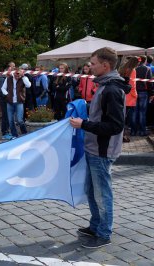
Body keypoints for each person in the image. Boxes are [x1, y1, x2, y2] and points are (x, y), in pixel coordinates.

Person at [70, 47, 129, 249]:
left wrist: (84, 124)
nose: (89, 66)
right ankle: (95, 226)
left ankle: (104, 234)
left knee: (102, 194)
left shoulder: (112, 89)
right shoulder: (105, 85)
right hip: (94, 148)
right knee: (91, 191)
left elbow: (115, 126)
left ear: (106, 65)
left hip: (102, 152)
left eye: (93, 63)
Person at [1, 67, 31, 139]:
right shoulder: (8, 79)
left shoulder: (24, 78)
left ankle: (24, 133)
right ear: (13, 73)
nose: (18, 76)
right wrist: (7, 94)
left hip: (19, 102)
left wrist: (23, 76)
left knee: (20, 120)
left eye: (19, 74)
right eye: (16, 74)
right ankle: (15, 135)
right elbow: (3, 88)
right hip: (10, 102)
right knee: (10, 120)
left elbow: (29, 85)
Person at [118, 56, 139, 142]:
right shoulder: (132, 70)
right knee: (126, 118)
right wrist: (135, 95)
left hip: (121, 95)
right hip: (129, 97)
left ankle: (120, 135)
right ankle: (123, 136)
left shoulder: (122, 68)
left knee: (121, 117)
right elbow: (132, 85)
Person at [131, 56, 153, 136]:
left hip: (135, 92)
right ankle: (142, 131)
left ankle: (133, 131)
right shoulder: (148, 69)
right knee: (142, 113)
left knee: (134, 112)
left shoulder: (134, 69)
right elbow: (150, 83)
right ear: (145, 60)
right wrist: (151, 94)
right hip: (144, 92)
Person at [0, 62, 15, 140]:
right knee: (5, 116)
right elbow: (1, 92)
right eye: (12, 67)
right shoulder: (2, 79)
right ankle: (4, 133)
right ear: (8, 69)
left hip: (8, 100)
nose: (14, 69)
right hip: (4, 101)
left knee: (8, 116)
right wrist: (8, 96)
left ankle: (7, 131)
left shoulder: (8, 78)